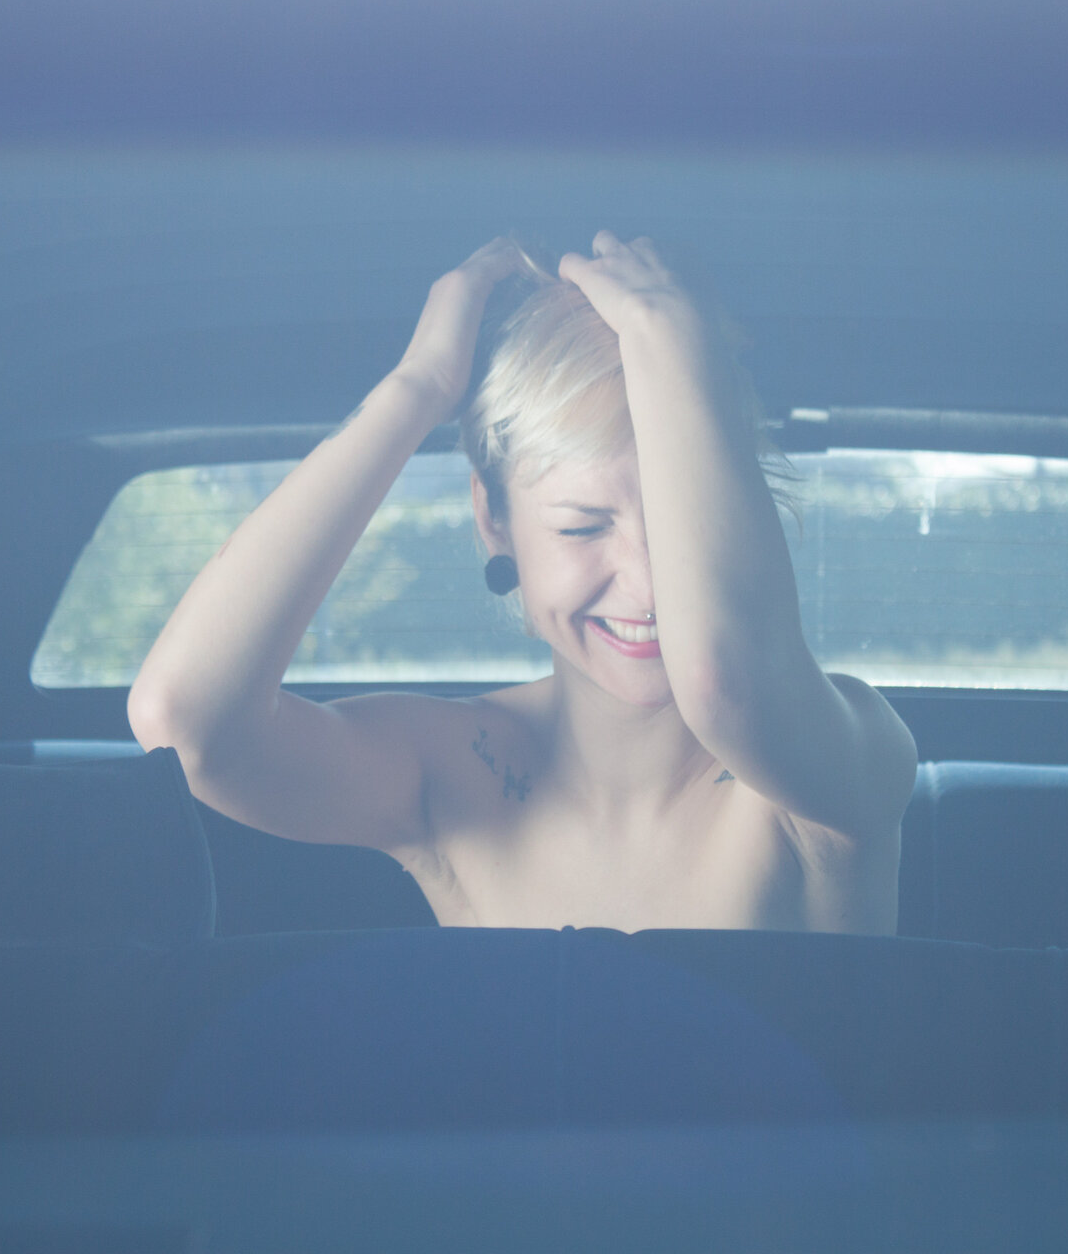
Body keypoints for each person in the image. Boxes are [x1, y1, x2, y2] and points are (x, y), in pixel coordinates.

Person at [128, 232, 917, 933]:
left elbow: (725, 681)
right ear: (493, 518)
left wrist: (665, 333)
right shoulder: (455, 772)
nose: (650, 588)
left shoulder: (844, 760)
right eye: (583, 526)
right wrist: (419, 387)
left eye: (682, 531)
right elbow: (187, 725)